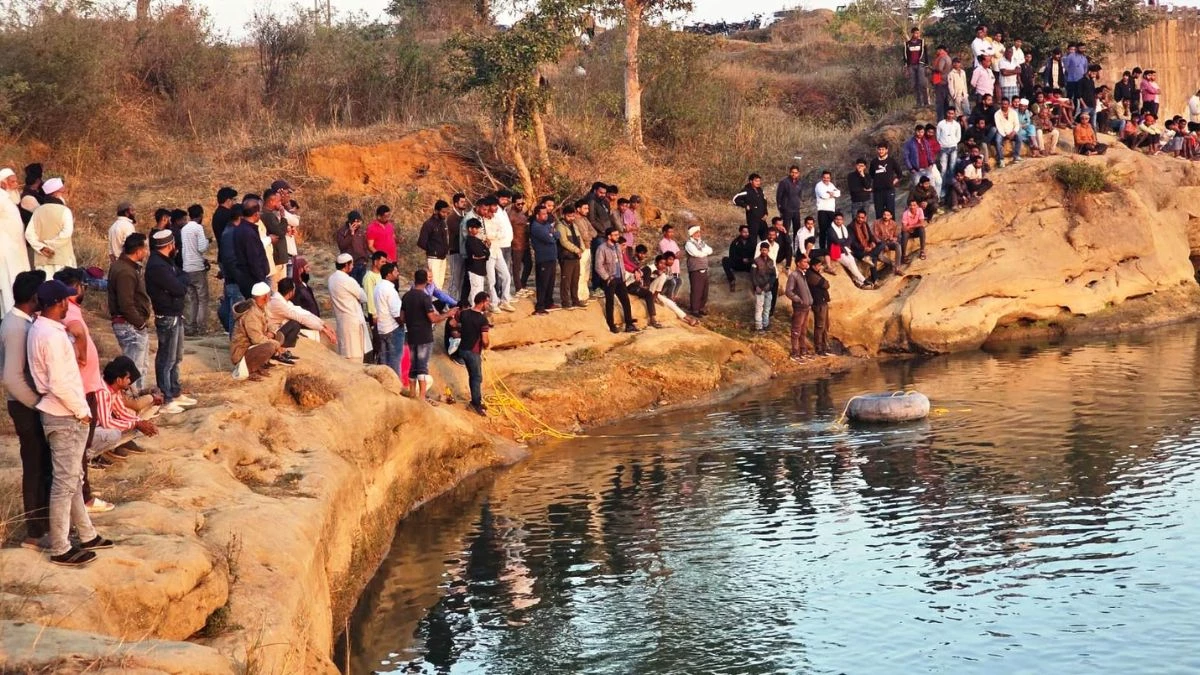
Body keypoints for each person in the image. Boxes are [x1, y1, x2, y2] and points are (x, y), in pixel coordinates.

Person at [28, 279, 111, 567]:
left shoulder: (46, 329)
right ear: (59, 303)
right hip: (64, 414)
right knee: (65, 483)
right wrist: (81, 411)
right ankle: (60, 547)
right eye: (65, 301)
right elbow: (59, 382)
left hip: (63, 412)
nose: (68, 305)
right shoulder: (50, 336)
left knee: (72, 479)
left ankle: (87, 534)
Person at [2, 270, 51, 550]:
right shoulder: (15, 327)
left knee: (41, 465)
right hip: (24, 407)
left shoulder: (22, 322)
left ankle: (42, 525)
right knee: (34, 467)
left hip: (28, 404)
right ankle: (34, 530)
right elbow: (11, 377)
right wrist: (38, 404)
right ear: (34, 297)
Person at [145, 230, 189, 414]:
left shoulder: (165, 262)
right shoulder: (157, 266)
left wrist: (181, 279)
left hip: (175, 313)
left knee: (176, 357)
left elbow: (182, 277)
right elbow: (179, 287)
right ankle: (166, 397)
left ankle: (175, 391)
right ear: (170, 245)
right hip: (167, 315)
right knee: (166, 359)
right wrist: (181, 280)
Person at [108, 234, 154, 396]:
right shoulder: (125, 272)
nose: (147, 251)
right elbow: (126, 304)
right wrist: (139, 323)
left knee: (139, 365)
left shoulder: (123, 266)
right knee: (135, 369)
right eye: (146, 248)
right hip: (130, 325)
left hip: (129, 323)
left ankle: (137, 399)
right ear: (139, 250)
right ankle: (134, 402)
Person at [92, 356, 158, 463]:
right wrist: (135, 424)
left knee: (137, 420)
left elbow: (121, 412)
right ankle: (89, 458)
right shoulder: (102, 391)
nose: (130, 381)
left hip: (95, 429)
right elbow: (107, 424)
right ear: (119, 380)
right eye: (128, 378)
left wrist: (139, 422)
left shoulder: (114, 389)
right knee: (113, 435)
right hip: (85, 432)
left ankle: (100, 452)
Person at [400, 269, 449, 403]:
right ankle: (421, 397)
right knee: (422, 366)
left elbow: (402, 317)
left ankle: (412, 394)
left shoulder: (406, 296)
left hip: (411, 336)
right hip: (424, 337)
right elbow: (433, 318)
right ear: (426, 281)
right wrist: (447, 314)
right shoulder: (425, 298)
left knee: (413, 366)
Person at [267, 277, 336, 357]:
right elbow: (300, 317)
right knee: (295, 323)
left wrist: (324, 324)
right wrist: (323, 329)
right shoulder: (278, 303)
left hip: (280, 328)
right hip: (274, 331)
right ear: (291, 292)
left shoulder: (282, 300)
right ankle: (283, 347)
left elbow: (302, 312)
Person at [231, 283, 284, 381]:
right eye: (269, 295)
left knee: (279, 336)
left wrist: (272, 333)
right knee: (270, 346)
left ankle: (259, 365)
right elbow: (257, 339)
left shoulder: (260, 307)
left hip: (254, 345)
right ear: (265, 297)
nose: (270, 297)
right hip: (242, 353)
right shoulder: (251, 314)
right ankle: (251, 370)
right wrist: (275, 344)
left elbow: (269, 323)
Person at [25, 177, 75, 275]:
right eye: (63, 191)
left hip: (42, 261)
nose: (65, 194)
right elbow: (67, 233)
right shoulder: (65, 211)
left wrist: (42, 247)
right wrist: (50, 245)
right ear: (56, 193)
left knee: (45, 288)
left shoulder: (38, 211)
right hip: (61, 260)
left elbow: (29, 234)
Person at [329, 253, 370, 362]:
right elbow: (364, 297)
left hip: (341, 320)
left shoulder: (331, 279)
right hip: (352, 320)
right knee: (355, 355)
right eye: (351, 264)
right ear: (346, 265)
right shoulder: (348, 280)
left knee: (345, 353)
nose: (352, 266)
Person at [455, 291, 491, 416]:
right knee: (477, 378)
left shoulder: (463, 313)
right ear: (482, 302)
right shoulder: (482, 319)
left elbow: (452, 324)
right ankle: (476, 404)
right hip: (473, 352)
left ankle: (475, 401)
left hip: (463, 349)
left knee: (473, 376)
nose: (488, 304)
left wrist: (462, 331)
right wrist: (486, 345)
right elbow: (485, 340)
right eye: (487, 302)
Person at [596, 226, 637, 333]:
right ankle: (611, 325)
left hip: (620, 278)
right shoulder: (602, 248)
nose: (617, 237)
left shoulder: (618, 246)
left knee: (625, 301)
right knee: (610, 303)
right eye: (615, 235)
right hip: (610, 279)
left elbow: (621, 262)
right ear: (609, 236)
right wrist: (607, 277)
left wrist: (624, 275)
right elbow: (598, 266)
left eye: (618, 235)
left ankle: (629, 324)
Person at [0, 168, 30, 315]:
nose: (16, 184)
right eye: (12, 181)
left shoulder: (9, 200)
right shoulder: (1, 197)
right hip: (6, 250)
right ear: (3, 183)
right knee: (8, 282)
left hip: (16, 249)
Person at [179, 204, 209, 335]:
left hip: (187, 267)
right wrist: (208, 241)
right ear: (201, 215)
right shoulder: (198, 228)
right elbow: (202, 247)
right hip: (197, 267)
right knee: (202, 299)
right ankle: (201, 328)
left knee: (191, 299)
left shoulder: (184, 229)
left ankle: (190, 327)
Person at [233, 199, 271, 299]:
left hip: (246, 278)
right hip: (253, 280)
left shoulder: (240, 228)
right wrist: (261, 280)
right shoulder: (249, 232)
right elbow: (254, 259)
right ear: (256, 213)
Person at [373, 263, 404, 377]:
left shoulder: (378, 287)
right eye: (395, 272)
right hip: (392, 328)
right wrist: (402, 324)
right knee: (395, 360)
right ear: (388, 274)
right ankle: (396, 388)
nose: (398, 274)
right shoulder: (390, 290)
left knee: (385, 360)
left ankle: (385, 387)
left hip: (382, 328)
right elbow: (396, 313)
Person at [529, 203, 560, 315]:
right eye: (543, 214)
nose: (546, 216)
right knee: (543, 283)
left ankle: (549, 302)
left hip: (552, 257)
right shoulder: (536, 227)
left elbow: (557, 235)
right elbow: (550, 239)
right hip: (543, 258)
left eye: (546, 213)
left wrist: (553, 234)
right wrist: (552, 234)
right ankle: (540, 306)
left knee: (551, 282)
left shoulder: (546, 224)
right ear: (537, 215)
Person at [555, 205, 586, 310]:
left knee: (575, 279)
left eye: (573, 216)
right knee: (566, 280)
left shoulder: (574, 225)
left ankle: (575, 300)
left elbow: (579, 237)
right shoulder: (560, 226)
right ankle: (565, 301)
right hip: (566, 256)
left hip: (575, 256)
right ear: (564, 215)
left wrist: (582, 248)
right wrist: (576, 250)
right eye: (569, 216)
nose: (571, 218)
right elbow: (563, 241)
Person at [826, 212, 868, 288]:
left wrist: (843, 242)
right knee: (849, 263)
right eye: (837, 219)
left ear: (843, 220)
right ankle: (863, 280)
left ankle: (859, 282)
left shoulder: (843, 228)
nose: (838, 221)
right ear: (834, 220)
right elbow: (836, 241)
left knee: (852, 260)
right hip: (836, 251)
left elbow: (849, 239)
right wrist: (844, 242)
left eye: (840, 219)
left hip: (844, 249)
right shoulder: (830, 230)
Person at [784, 256, 813, 361]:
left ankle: (803, 351)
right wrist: (799, 300)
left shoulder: (803, 274)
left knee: (803, 330)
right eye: (804, 262)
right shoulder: (794, 275)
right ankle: (795, 353)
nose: (806, 264)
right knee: (796, 330)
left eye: (807, 262)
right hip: (800, 307)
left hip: (806, 307)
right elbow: (788, 291)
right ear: (798, 263)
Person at [849, 209, 884, 286]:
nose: (860, 219)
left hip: (868, 247)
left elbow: (870, 235)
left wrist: (872, 242)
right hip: (858, 250)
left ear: (865, 218)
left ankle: (870, 257)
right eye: (858, 217)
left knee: (881, 244)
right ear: (856, 216)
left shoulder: (865, 224)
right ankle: (875, 280)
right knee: (874, 258)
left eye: (862, 218)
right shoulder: (851, 226)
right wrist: (863, 248)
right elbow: (853, 242)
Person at [869, 143, 903, 220]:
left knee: (890, 211)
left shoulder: (891, 160)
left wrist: (893, 182)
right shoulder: (874, 162)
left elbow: (899, 174)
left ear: (886, 150)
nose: (881, 151)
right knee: (879, 212)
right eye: (879, 149)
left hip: (889, 190)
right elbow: (871, 175)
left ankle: (892, 231)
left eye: (883, 149)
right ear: (877, 150)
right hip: (877, 191)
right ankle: (880, 231)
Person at [684, 225, 713, 316]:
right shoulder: (689, 244)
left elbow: (710, 250)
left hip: (704, 268)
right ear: (692, 234)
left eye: (699, 232)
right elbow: (696, 254)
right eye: (696, 233)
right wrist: (704, 253)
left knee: (704, 290)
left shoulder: (701, 242)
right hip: (695, 269)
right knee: (696, 290)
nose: (698, 234)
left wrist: (703, 252)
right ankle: (694, 310)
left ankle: (700, 308)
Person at [805, 256, 831, 356]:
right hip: (818, 303)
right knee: (820, 326)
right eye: (819, 265)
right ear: (814, 266)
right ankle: (819, 348)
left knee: (825, 326)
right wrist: (824, 282)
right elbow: (825, 284)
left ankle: (824, 347)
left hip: (823, 302)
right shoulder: (811, 275)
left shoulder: (815, 273)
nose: (820, 267)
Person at [336, 211, 370, 284]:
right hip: (350, 265)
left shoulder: (361, 231)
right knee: (352, 285)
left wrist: (366, 259)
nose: (358, 224)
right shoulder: (342, 231)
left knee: (361, 286)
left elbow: (365, 246)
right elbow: (342, 246)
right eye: (356, 221)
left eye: (359, 221)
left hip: (362, 263)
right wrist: (351, 234)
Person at [445, 193, 469, 301]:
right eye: (462, 202)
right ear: (455, 203)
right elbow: (460, 233)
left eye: (465, 201)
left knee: (462, 279)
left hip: (464, 251)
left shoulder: (464, 215)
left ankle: (457, 301)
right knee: (455, 278)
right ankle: (450, 302)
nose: (464, 203)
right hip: (455, 251)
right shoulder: (451, 218)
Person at [507, 194, 530, 292]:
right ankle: (518, 287)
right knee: (516, 268)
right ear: (513, 203)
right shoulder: (510, 215)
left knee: (529, 265)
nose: (520, 205)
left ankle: (522, 284)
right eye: (518, 204)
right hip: (516, 245)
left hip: (525, 244)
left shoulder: (522, 213)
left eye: (522, 203)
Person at [722, 225, 755, 293]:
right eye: (744, 232)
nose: (746, 234)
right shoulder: (735, 242)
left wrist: (749, 260)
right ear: (740, 232)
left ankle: (756, 286)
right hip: (738, 264)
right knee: (725, 260)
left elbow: (755, 254)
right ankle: (732, 280)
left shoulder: (752, 242)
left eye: (747, 232)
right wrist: (741, 259)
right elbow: (732, 255)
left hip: (749, 265)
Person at [751, 242, 776, 331]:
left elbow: (773, 275)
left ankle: (766, 324)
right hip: (759, 289)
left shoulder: (771, 261)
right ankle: (758, 327)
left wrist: (770, 284)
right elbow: (753, 275)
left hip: (768, 288)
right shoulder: (756, 261)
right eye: (762, 250)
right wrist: (756, 286)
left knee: (767, 308)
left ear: (768, 250)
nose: (764, 251)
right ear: (760, 250)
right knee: (759, 308)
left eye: (765, 250)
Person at [814, 171, 841, 247]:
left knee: (831, 230)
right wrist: (832, 194)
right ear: (822, 177)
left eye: (828, 178)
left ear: (830, 178)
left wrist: (830, 193)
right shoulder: (819, 185)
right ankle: (822, 249)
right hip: (822, 210)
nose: (826, 179)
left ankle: (830, 249)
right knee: (823, 231)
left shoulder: (831, 185)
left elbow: (838, 193)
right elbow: (823, 196)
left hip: (831, 210)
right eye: (824, 177)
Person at [994, 97, 1023, 166]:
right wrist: (1005, 135)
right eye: (1003, 104)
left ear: (1009, 105)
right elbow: (999, 126)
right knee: (998, 141)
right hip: (1002, 132)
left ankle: (1016, 156)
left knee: (1019, 137)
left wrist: (1013, 132)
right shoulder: (997, 114)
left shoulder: (1013, 112)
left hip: (1012, 132)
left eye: (1006, 104)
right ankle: (1001, 159)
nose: (1004, 106)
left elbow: (1017, 124)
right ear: (1001, 104)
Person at [776, 165, 804, 238]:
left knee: (797, 231)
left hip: (796, 210)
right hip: (786, 210)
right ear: (789, 172)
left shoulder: (799, 182)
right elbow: (779, 196)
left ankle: (796, 248)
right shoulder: (784, 182)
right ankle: (785, 248)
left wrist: (799, 203)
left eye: (796, 172)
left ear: (798, 173)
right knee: (785, 230)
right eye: (792, 172)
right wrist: (781, 209)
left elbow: (799, 195)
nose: (794, 174)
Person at [904, 27, 929, 107]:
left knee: (922, 83)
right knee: (914, 85)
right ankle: (919, 102)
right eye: (916, 33)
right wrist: (906, 68)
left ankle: (926, 102)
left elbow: (926, 53)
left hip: (920, 64)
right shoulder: (907, 44)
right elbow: (905, 56)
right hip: (911, 65)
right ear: (912, 33)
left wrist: (927, 65)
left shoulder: (922, 42)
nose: (918, 35)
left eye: (918, 33)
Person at [936, 109, 961, 185]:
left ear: (954, 114)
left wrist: (953, 142)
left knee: (952, 167)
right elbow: (938, 136)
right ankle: (943, 187)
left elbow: (958, 136)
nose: (950, 115)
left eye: (952, 113)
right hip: (943, 148)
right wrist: (942, 144)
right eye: (949, 113)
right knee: (943, 169)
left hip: (953, 148)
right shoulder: (941, 124)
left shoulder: (956, 124)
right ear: (946, 113)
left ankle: (951, 186)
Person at [900, 198, 928, 262]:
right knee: (904, 233)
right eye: (911, 205)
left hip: (916, 230)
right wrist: (909, 228)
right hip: (908, 231)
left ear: (917, 205)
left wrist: (910, 226)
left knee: (922, 229)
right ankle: (903, 256)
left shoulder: (920, 210)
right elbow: (904, 227)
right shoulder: (905, 213)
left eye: (914, 205)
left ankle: (922, 251)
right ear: (908, 206)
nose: (912, 207)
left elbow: (922, 223)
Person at [211, 187, 238, 253]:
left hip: (222, 254)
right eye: (234, 199)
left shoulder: (217, 213)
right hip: (231, 255)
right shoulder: (228, 215)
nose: (235, 202)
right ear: (228, 200)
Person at [931, 45, 952, 119]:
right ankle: (947, 117)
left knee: (940, 102)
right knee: (946, 101)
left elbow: (940, 68)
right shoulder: (948, 57)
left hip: (940, 81)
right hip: (946, 81)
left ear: (941, 50)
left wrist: (932, 68)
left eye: (937, 50)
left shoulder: (942, 57)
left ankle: (940, 119)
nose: (936, 52)